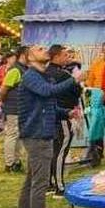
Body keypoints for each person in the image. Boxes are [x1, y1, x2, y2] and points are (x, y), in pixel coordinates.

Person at [14, 44, 85, 208]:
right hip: (37, 135)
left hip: (40, 133)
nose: (44, 50)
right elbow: (47, 92)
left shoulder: (43, 76)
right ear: (29, 58)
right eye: (39, 49)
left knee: (32, 181)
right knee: (40, 183)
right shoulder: (31, 76)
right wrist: (74, 79)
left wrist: (67, 112)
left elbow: (49, 104)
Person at [44, 45, 82, 195]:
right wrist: (76, 80)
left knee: (52, 150)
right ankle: (59, 187)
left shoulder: (44, 72)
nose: (68, 58)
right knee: (60, 151)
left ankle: (49, 183)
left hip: (50, 114)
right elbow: (77, 91)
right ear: (57, 56)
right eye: (66, 55)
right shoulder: (63, 75)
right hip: (63, 114)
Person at [0, 46, 28, 172]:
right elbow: (3, 90)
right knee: (12, 134)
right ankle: (9, 163)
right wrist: (5, 102)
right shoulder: (15, 70)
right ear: (23, 55)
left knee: (19, 135)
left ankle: (16, 161)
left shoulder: (24, 69)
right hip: (13, 107)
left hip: (22, 108)